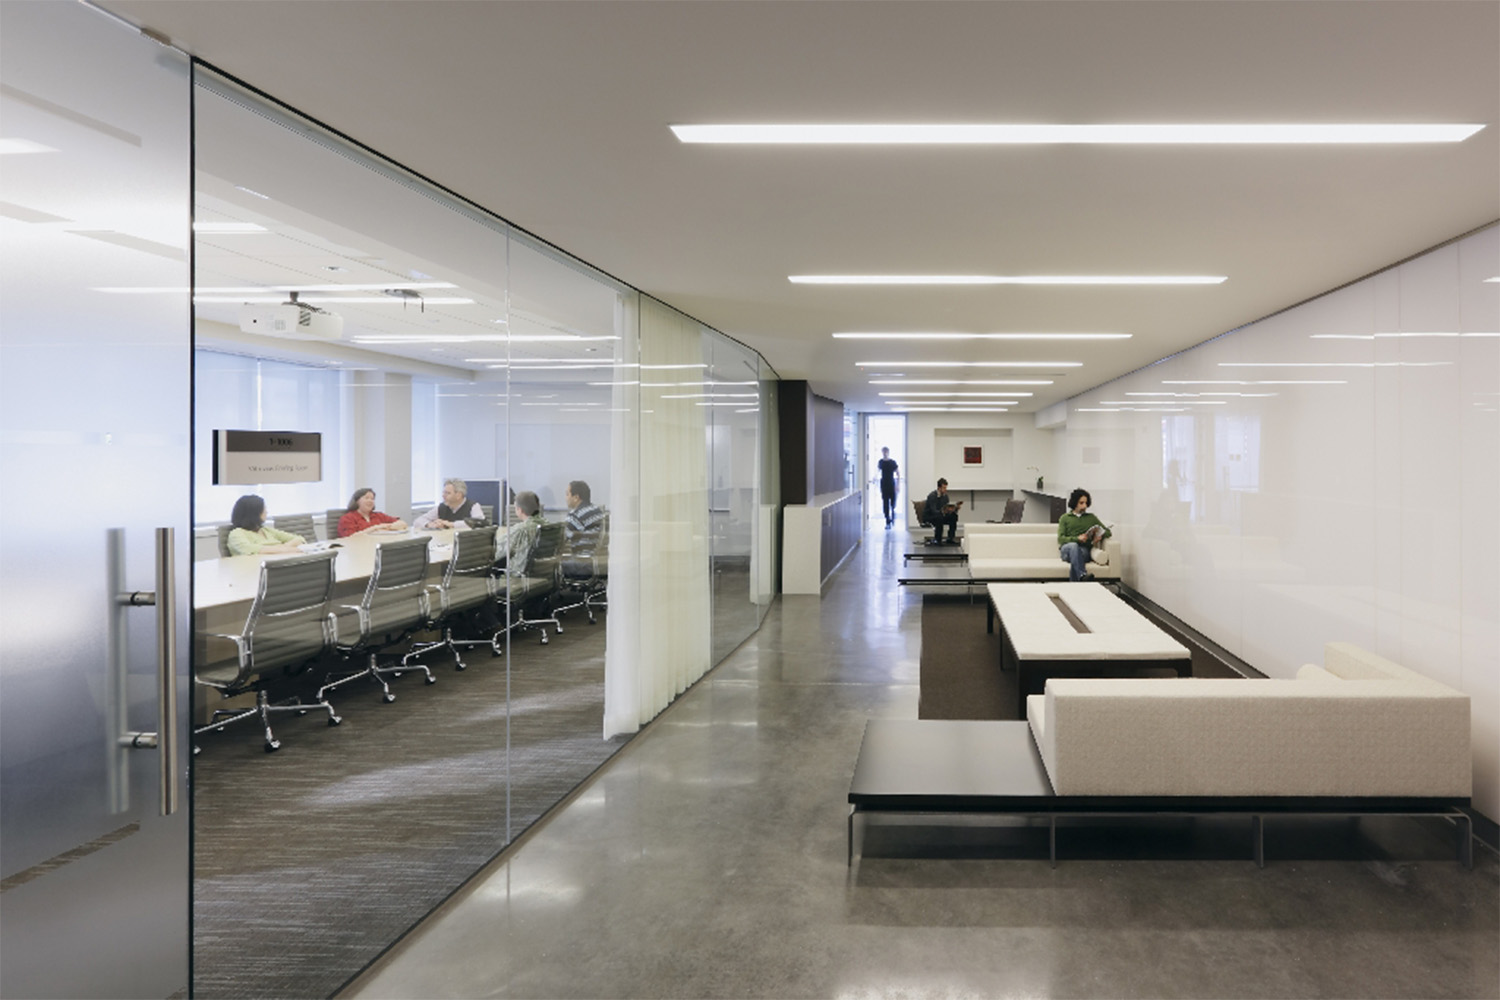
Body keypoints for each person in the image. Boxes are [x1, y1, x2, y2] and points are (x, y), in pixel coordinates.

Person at [1058, 487, 1112, 582]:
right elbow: (1061, 539)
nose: (1085, 506)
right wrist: (1077, 539)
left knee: (1077, 556)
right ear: (1075, 503)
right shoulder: (1065, 518)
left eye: (1086, 503)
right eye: (1081, 503)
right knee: (1074, 546)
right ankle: (1082, 575)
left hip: (1084, 551)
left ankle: (1078, 581)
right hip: (1067, 551)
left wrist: (1098, 536)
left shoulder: (1091, 518)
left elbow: (1108, 532)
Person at [226, 494, 305, 556]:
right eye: (264, 510)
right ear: (254, 514)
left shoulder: (265, 530)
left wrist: (283, 547)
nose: (266, 512)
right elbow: (250, 550)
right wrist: (283, 548)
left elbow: (299, 539)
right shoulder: (237, 534)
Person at [413, 477, 487, 530]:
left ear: (458, 495)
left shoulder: (473, 506)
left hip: (466, 544)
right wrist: (430, 524)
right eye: (443, 492)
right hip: (445, 544)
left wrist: (450, 524)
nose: (443, 496)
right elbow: (417, 521)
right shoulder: (442, 507)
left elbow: (478, 523)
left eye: (447, 493)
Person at [501, 490, 547, 576]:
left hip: (517, 577)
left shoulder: (521, 529)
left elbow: (498, 551)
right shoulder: (547, 525)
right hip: (543, 575)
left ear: (519, 510)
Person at [337, 487, 407, 538]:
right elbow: (351, 538)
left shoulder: (379, 515)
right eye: (366, 498)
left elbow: (403, 523)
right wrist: (376, 528)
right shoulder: (347, 518)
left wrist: (388, 527)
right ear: (357, 501)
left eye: (372, 499)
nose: (370, 501)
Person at [923, 478, 963, 544]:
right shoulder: (932, 496)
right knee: (939, 517)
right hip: (930, 516)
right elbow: (933, 511)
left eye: (946, 487)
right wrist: (943, 512)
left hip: (940, 515)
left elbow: (946, 508)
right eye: (944, 488)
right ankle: (938, 539)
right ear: (939, 488)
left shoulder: (945, 496)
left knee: (953, 516)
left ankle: (950, 538)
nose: (945, 489)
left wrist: (954, 509)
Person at [876, 448, 899, 528]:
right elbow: (877, 471)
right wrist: (874, 478)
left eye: (886, 452)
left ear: (888, 452)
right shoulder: (881, 462)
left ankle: (893, 515)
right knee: (885, 503)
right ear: (882, 452)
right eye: (883, 452)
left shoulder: (892, 462)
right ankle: (887, 521)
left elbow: (898, 473)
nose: (885, 453)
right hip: (884, 484)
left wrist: (897, 485)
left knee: (893, 503)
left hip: (891, 484)